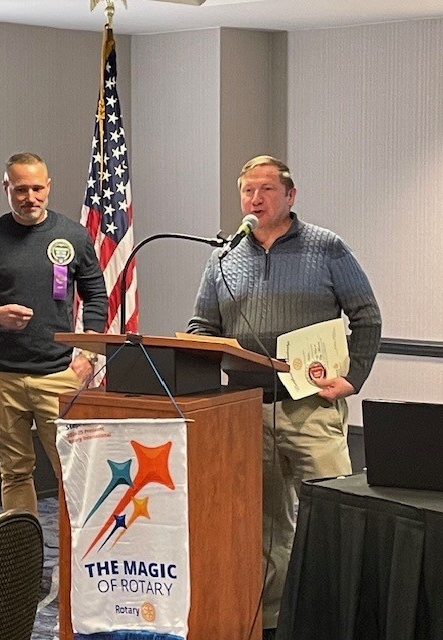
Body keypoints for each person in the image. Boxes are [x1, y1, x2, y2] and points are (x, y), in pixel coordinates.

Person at [186, 155, 381, 639]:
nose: (256, 199)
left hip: (311, 407)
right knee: (265, 525)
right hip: (244, 411)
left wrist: (353, 377)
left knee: (333, 516)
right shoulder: (223, 257)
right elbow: (202, 326)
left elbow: (367, 316)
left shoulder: (326, 247)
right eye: (248, 191)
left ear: (290, 196)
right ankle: (274, 623)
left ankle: (338, 620)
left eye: (267, 189)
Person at [0, 152, 108, 516]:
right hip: (0, 377)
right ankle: (24, 548)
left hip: (58, 375)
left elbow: (96, 295)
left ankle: (78, 552)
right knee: (14, 472)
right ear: (6, 187)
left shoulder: (72, 236)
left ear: (49, 187)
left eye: (37, 188)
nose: (30, 197)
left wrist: (89, 354)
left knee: (73, 474)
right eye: (21, 189)